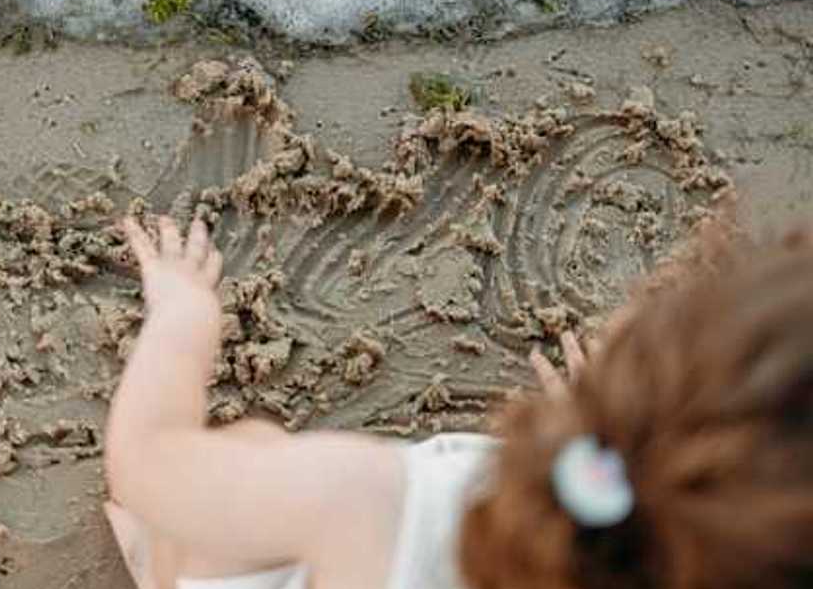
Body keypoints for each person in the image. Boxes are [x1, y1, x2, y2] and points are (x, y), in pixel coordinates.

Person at [104, 216, 813, 589]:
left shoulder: (369, 503)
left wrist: (183, 315)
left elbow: (144, 456)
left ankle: (155, 559)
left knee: (248, 447)